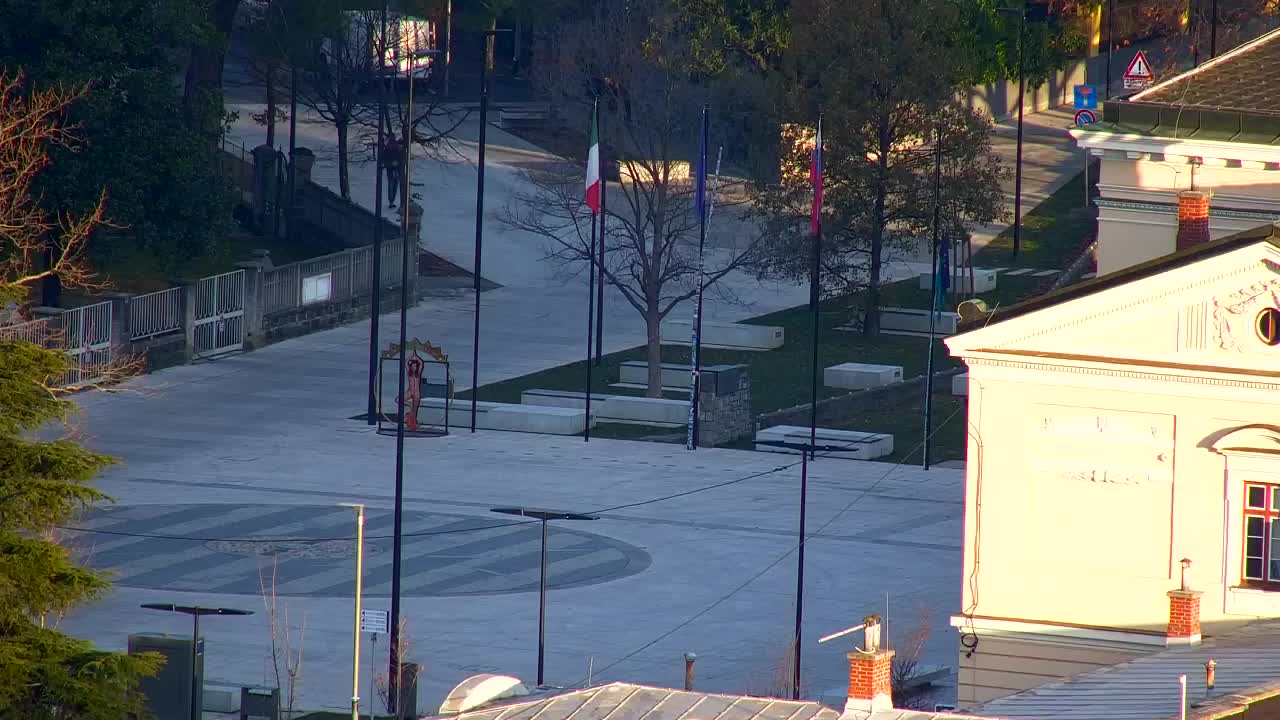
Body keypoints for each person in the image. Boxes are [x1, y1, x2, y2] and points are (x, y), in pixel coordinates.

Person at [384, 133, 403, 208]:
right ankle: (391, 201)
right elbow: (400, 158)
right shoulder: (396, 148)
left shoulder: (388, 149)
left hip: (392, 170)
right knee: (394, 185)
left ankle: (391, 201)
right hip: (395, 170)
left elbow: (385, 160)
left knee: (392, 185)